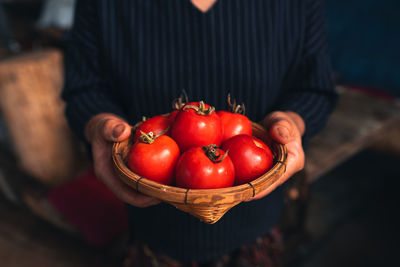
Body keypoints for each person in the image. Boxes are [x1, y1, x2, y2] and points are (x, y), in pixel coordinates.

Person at [62, 0, 338, 265]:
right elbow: (85, 89)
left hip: (256, 221)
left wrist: (291, 123)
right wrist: (98, 125)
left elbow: (314, 88)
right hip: (153, 227)